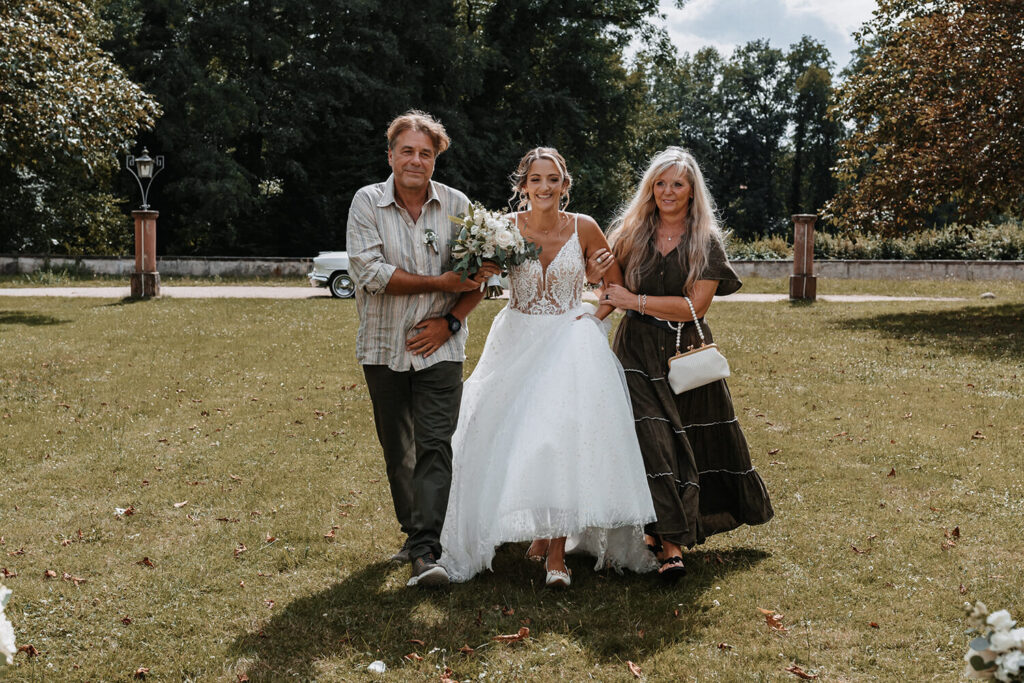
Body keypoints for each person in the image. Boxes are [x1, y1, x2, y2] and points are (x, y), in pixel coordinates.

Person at [440, 147, 656, 587]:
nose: (545, 187)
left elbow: (613, 289)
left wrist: (589, 319)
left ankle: (556, 555)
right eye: (535, 179)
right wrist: (465, 295)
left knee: (559, 438)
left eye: (553, 179)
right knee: (510, 434)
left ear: (564, 184)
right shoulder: (502, 230)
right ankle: (530, 535)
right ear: (522, 186)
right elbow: (480, 283)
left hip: (569, 342)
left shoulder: (586, 228)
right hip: (516, 338)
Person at [591, 146, 773, 581]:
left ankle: (668, 529)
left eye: (677, 184)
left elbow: (695, 307)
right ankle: (671, 545)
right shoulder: (629, 234)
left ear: (692, 192)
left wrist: (635, 300)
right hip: (635, 351)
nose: (668, 191)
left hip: (685, 352)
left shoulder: (705, 240)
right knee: (652, 438)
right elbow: (607, 291)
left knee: (691, 441)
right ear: (650, 188)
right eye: (660, 183)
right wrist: (581, 325)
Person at [347, 110, 499, 588]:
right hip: (383, 347)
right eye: (407, 151)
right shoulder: (367, 202)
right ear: (390, 155)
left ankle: (426, 553)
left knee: (436, 444)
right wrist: (439, 282)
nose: (416, 160)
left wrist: (450, 320)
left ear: (436, 160)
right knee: (400, 450)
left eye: (426, 153)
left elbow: (484, 275)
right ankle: (416, 533)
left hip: (442, 350)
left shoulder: (458, 206)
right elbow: (370, 274)